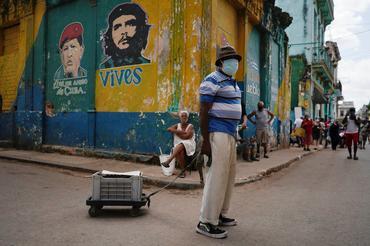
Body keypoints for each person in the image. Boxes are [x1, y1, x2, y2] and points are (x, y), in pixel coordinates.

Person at [197, 45, 242, 239]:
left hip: (231, 133)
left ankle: (220, 214)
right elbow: (203, 110)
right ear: (221, 62)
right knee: (216, 176)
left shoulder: (233, 82)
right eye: (230, 59)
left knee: (228, 175)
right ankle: (206, 221)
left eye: (236, 59)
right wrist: (205, 140)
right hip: (218, 132)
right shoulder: (212, 79)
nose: (235, 62)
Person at [101, 3, 151, 68]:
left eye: (130, 24)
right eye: (117, 27)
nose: (123, 31)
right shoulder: (104, 68)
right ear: (110, 34)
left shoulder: (147, 65)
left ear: (141, 29)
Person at [161, 111, 196, 178]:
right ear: (180, 117)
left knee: (182, 143)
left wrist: (175, 132)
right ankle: (183, 171)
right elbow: (169, 129)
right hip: (179, 146)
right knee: (181, 151)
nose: (184, 117)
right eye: (182, 116)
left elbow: (186, 137)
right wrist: (181, 132)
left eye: (185, 116)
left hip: (189, 144)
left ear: (187, 118)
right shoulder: (178, 125)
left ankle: (168, 161)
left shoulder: (190, 126)